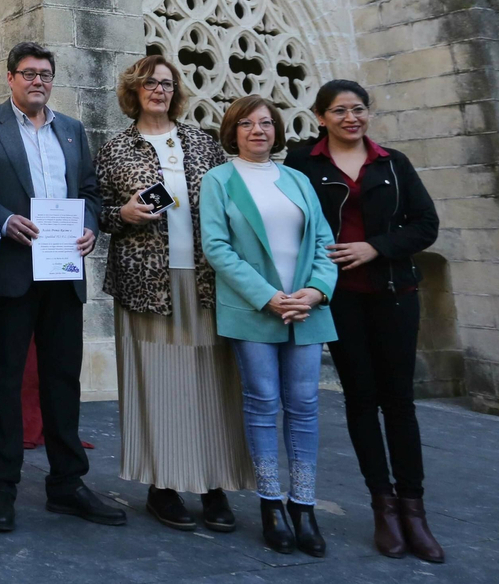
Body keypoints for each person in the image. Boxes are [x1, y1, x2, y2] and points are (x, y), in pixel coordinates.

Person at [0, 42, 122, 531]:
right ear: (9, 77)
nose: (38, 81)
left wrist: (91, 225)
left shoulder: (71, 130)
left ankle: (67, 484)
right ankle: (1, 486)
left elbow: (89, 192)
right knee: (6, 382)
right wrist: (5, 220)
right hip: (12, 269)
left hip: (63, 272)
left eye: (45, 74)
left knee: (62, 382)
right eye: (28, 73)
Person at [285, 80, 443, 563]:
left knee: (399, 402)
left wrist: (376, 247)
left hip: (394, 292)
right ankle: (383, 507)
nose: (351, 118)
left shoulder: (392, 163)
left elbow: (425, 224)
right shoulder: (303, 164)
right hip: (338, 298)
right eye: (339, 111)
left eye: (358, 109)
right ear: (320, 117)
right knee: (360, 399)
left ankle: (414, 510)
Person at [95, 56, 254, 532]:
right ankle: (162, 487)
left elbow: (231, 209)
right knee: (156, 384)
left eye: (166, 82)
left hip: (205, 280)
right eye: (149, 82)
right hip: (146, 284)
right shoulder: (115, 149)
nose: (158, 90)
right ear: (134, 90)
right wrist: (122, 213)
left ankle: (213, 485)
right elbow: (97, 214)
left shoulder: (204, 145)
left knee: (212, 383)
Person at [199, 95, 337, 558]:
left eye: (265, 123)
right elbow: (217, 248)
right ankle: (271, 503)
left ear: (276, 130)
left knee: (304, 405)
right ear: (232, 131)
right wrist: (269, 297)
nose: (258, 130)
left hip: (307, 309)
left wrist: (315, 292)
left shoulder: (296, 179)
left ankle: (304, 506)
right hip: (254, 309)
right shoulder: (219, 180)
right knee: (262, 404)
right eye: (247, 124)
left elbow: (323, 241)